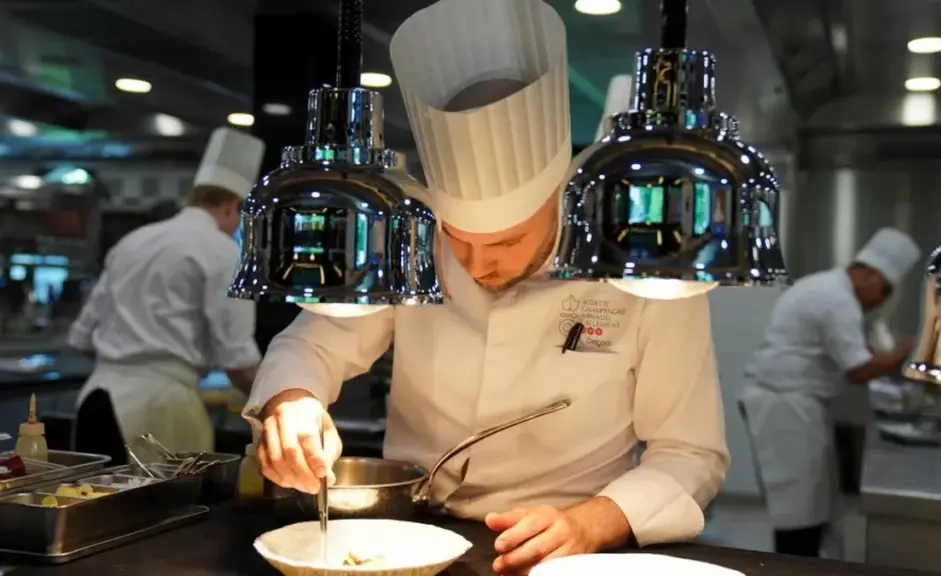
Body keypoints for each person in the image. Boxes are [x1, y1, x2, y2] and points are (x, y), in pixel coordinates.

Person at [245, 0, 729, 573]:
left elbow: (691, 452)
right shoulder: (414, 236)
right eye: (459, 240)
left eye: (504, 243)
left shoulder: (640, 263)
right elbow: (315, 342)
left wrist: (596, 520)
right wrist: (292, 401)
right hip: (405, 538)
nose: (475, 264)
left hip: (560, 552)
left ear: (557, 202)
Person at [68, 127, 265, 464]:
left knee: (88, 505)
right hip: (157, 410)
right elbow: (239, 361)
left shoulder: (134, 240)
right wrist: (279, 402)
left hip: (94, 401)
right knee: (161, 512)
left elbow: (82, 338)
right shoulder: (221, 251)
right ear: (234, 206)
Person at [740, 227, 922, 558]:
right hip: (784, 405)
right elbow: (859, 369)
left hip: (791, 403)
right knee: (796, 509)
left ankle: (805, 563)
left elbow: (859, 351)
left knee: (809, 503)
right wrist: (906, 352)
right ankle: (794, 568)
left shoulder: (826, 287)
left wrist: (890, 356)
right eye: (884, 290)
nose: (880, 301)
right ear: (869, 274)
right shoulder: (838, 299)